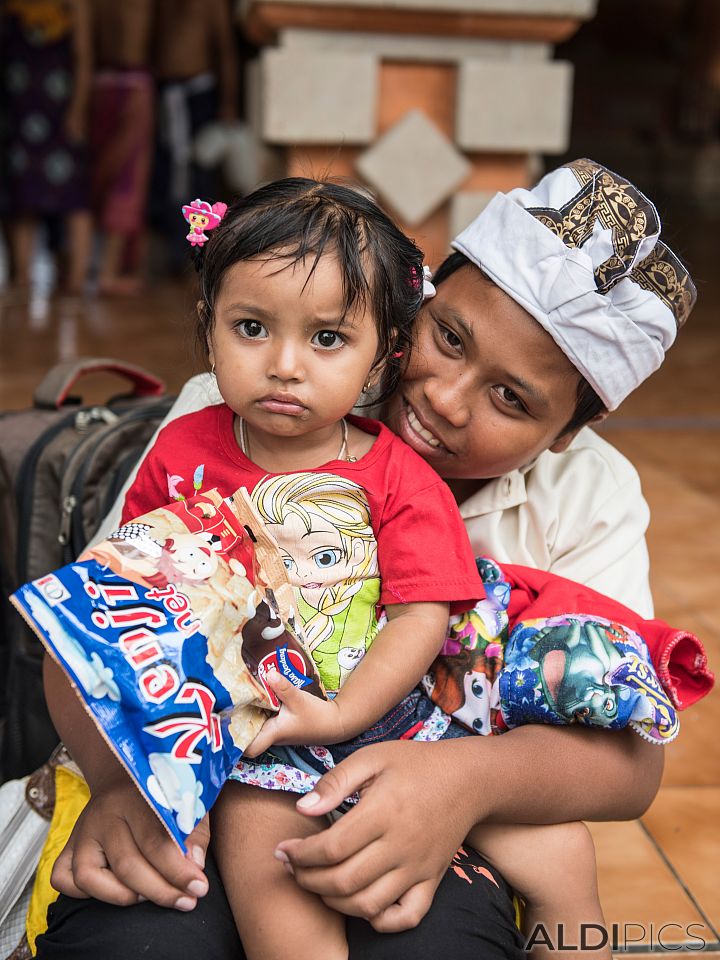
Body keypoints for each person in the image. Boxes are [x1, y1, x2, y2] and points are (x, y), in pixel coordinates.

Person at [37, 159, 699, 960]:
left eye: (511, 399)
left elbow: (631, 765)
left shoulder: (589, 494)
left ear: (565, 433)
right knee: (142, 940)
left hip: (434, 802)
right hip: (201, 780)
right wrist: (119, 786)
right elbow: (94, 627)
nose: (444, 399)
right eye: (447, 338)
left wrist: (462, 783)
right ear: (411, 304)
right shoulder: (226, 417)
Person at [1, 0, 93, 294]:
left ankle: (77, 279)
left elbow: (83, 55)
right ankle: (22, 277)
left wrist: (78, 108)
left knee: (74, 193)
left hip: (59, 107)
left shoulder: (74, 4)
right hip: (19, 109)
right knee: (21, 193)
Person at [88, 0, 154, 296]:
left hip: (98, 83)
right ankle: (108, 271)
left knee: (99, 172)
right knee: (127, 178)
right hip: (134, 84)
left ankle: (85, 263)